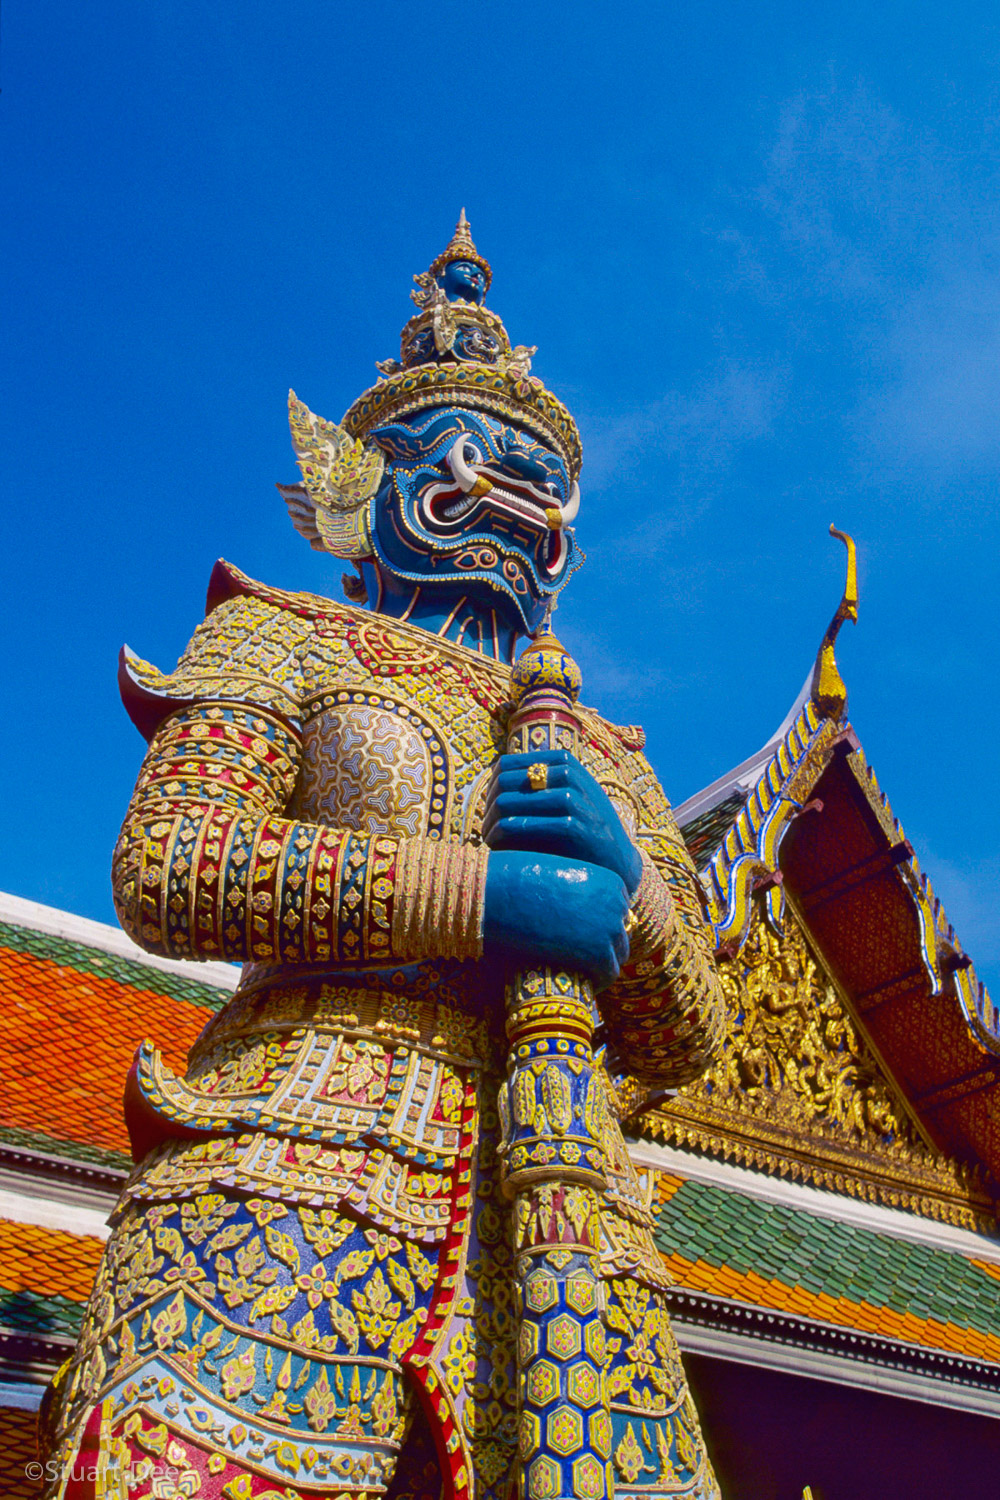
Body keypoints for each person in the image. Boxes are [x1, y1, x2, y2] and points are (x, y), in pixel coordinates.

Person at [43, 215, 725, 1500]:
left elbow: (691, 1034)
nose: (514, 513)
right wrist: (483, 896)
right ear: (368, 488)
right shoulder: (280, 640)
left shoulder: (610, 754)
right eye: (470, 472)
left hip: (567, 1221)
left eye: (542, 495)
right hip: (287, 1172)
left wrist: (630, 893)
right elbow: (176, 860)